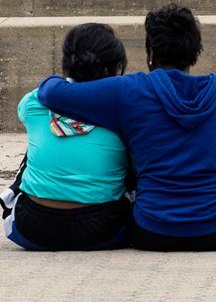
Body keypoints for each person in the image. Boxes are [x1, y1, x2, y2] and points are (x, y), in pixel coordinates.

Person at [36, 5, 216, 252]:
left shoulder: (129, 91)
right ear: (194, 52)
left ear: (151, 54)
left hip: (151, 232)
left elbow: (51, 93)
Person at [2, 24, 130, 251]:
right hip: (100, 228)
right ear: (117, 66)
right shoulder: (123, 108)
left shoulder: (34, 103)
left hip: (33, 226)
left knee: (33, 149)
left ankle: (13, 192)